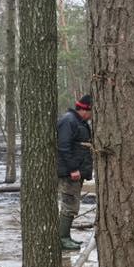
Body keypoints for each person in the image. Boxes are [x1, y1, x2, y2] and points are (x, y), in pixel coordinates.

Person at [56, 94, 93, 251]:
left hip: (76, 171)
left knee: (72, 205)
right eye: (91, 112)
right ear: (85, 110)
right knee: (69, 205)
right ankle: (62, 239)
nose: (91, 116)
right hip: (69, 173)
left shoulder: (79, 122)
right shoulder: (69, 121)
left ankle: (66, 236)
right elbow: (63, 147)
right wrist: (73, 169)